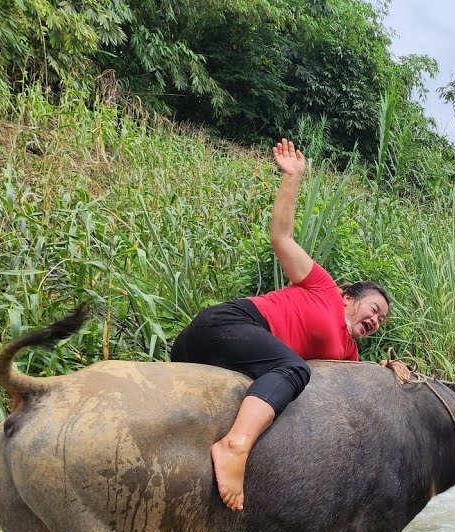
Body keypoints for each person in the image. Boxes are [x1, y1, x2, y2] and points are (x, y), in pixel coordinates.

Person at [170, 138, 409, 511]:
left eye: (381, 320)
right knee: (294, 369)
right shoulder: (323, 287)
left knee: (292, 371)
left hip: (227, 357)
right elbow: (281, 238)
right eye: (374, 308)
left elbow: (354, 386)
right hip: (226, 325)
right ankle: (235, 445)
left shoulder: (348, 353)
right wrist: (292, 176)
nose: (376, 320)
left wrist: (388, 370)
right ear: (349, 297)